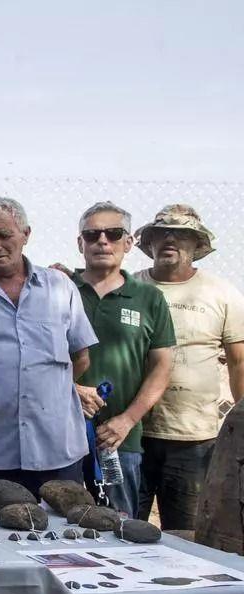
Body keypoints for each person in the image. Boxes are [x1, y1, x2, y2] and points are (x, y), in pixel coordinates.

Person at [0, 197, 98, 495]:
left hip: (56, 449)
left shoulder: (60, 287)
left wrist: (46, 389)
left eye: (4, 235)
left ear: (26, 235)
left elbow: (81, 357)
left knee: (59, 524)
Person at [133, 204, 244, 529]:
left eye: (182, 234)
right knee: (123, 530)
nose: (170, 239)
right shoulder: (130, 289)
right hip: (131, 434)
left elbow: (239, 361)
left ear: (197, 244)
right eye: (161, 233)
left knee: (185, 534)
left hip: (193, 439)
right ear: (149, 242)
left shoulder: (221, 294)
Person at [66, 202, 175, 517]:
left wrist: (127, 420)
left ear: (128, 242)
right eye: (92, 234)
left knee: (118, 526)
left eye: (113, 234)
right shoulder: (58, 288)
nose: (102, 241)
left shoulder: (149, 298)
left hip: (117, 441)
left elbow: (162, 366)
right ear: (80, 243)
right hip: (59, 437)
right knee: (60, 524)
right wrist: (69, 388)